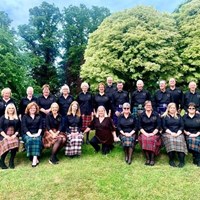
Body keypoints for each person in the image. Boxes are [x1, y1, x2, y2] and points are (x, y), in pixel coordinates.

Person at [161, 103, 187, 167]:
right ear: (168, 109)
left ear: (176, 109)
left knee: (180, 139)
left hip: (178, 133)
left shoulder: (179, 116)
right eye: (171, 108)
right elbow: (164, 127)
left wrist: (178, 133)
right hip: (167, 133)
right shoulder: (165, 116)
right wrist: (171, 133)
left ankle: (182, 161)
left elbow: (182, 126)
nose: (172, 109)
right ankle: (171, 160)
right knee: (171, 140)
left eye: (174, 108)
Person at [138, 101, 161, 166]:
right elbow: (139, 126)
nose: (148, 106)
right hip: (144, 133)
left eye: (150, 105)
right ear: (144, 107)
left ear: (152, 106)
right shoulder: (141, 115)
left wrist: (153, 133)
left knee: (152, 139)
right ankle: (148, 158)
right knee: (144, 139)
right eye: (147, 105)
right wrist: (145, 133)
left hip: (154, 133)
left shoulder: (156, 114)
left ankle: (152, 158)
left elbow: (159, 125)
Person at [21, 102, 42, 167]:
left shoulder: (39, 116)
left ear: (36, 109)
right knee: (30, 140)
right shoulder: (24, 116)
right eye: (31, 108)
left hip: (37, 133)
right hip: (27, 134)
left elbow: (40, 126)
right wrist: (30, 135)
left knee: (37, 139)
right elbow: (24, 127)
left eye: (34, 108)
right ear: (28, 109)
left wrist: (38, 133)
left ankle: (34, 159)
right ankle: (32, 156)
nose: (33, 109)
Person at [0, 104, 20, 169]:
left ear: (14, 109)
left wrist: (15, 135)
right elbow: (0, 128)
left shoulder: (16, 118)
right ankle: (2, 161)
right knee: (7, 142)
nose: (11, 109)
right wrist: (6, 136)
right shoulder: (3, 117)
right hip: (4, 135)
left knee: (15, 142)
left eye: (12, 108)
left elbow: (19, 128)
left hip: (13, 135)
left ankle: (11, 161)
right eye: (9, 108)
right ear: (7, 109)